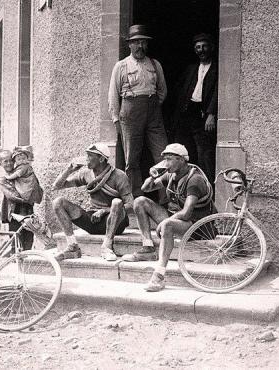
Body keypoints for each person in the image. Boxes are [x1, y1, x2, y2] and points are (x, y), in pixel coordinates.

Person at [122, 143, 216, 292]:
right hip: (179, 219)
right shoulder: (171, 175)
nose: (166, 163)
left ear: (181, 160)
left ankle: (159, 276)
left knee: (168, 225)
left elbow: (186, 213)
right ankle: (148, 247)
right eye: (165, 159)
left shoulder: (194, 180)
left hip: (198, 225)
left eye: (169, 159)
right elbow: (145, 189)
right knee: (140, 201)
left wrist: (165, 221)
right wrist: (153, 176)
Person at [108, 24, 168, 198]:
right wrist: (116, 120)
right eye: (136, 42)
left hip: (153, 112)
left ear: (147, 45)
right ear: (129, 44)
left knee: (163, 154)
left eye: (143, 43)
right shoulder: (121, 66)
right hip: (130, 113)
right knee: (131, 159)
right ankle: (134, 199)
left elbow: (162, 91)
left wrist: (152, 105)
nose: (140, 46)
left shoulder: (155, 64)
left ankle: (166, 199)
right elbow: (113, 95)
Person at [52, 142, 134, 261]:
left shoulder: (119, 176)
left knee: (117, 202)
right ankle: (72, 246)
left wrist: (104, 211)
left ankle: (107, 246)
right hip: (92, 220)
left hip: (114, 222)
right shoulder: (86, 174)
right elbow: (57, 186)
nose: (86, 159)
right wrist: (69, 170)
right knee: (58, 202)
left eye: (90, 156)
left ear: (101, 158)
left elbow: (131, 205)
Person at [172, 33, 218, 186]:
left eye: (204, 46)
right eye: (198, 47)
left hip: (203, 115)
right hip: (187, 113)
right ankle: (186, 187)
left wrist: (211, 114)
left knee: (204, 154)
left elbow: (219, 91)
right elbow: (180, 90)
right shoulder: (191, 69)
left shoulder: (217, 68)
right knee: (185, 153)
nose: (201, 50)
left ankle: (206, 188)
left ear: (211, 47)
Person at [0, 149, 40, 253]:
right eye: (5, 161)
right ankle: (17, 265)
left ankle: (27, 265)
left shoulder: (23, 171)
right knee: (16, 241)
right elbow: (13, 196)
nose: (9, 163)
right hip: (14, 213)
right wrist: (28, 198)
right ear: (0, 163)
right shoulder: (4, 179)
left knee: (29, 239)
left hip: (28, 210)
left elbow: (35, 185)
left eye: (11, 160)